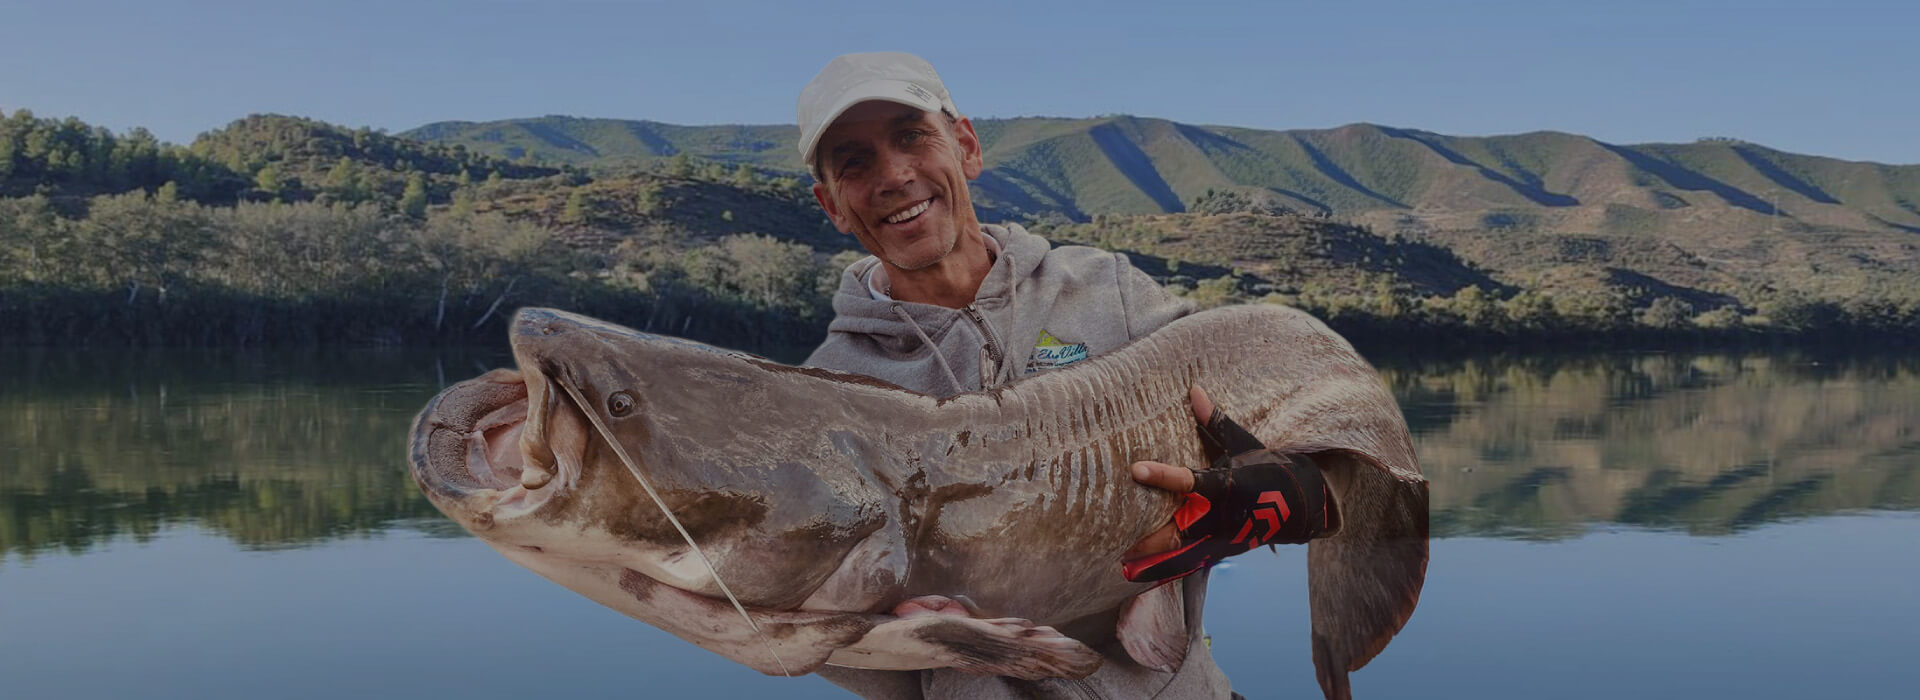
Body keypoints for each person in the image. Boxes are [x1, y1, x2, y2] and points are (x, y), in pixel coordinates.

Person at [797, 52, 1332, 700]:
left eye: (912, 136)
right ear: (832, 205)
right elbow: (800, 620)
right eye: (855, 162)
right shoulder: (827, 395)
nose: (895, 175)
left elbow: (1296, 431)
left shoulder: (1110, 291)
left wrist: (1303, 490)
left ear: (965, 147)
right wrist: (884, 639)